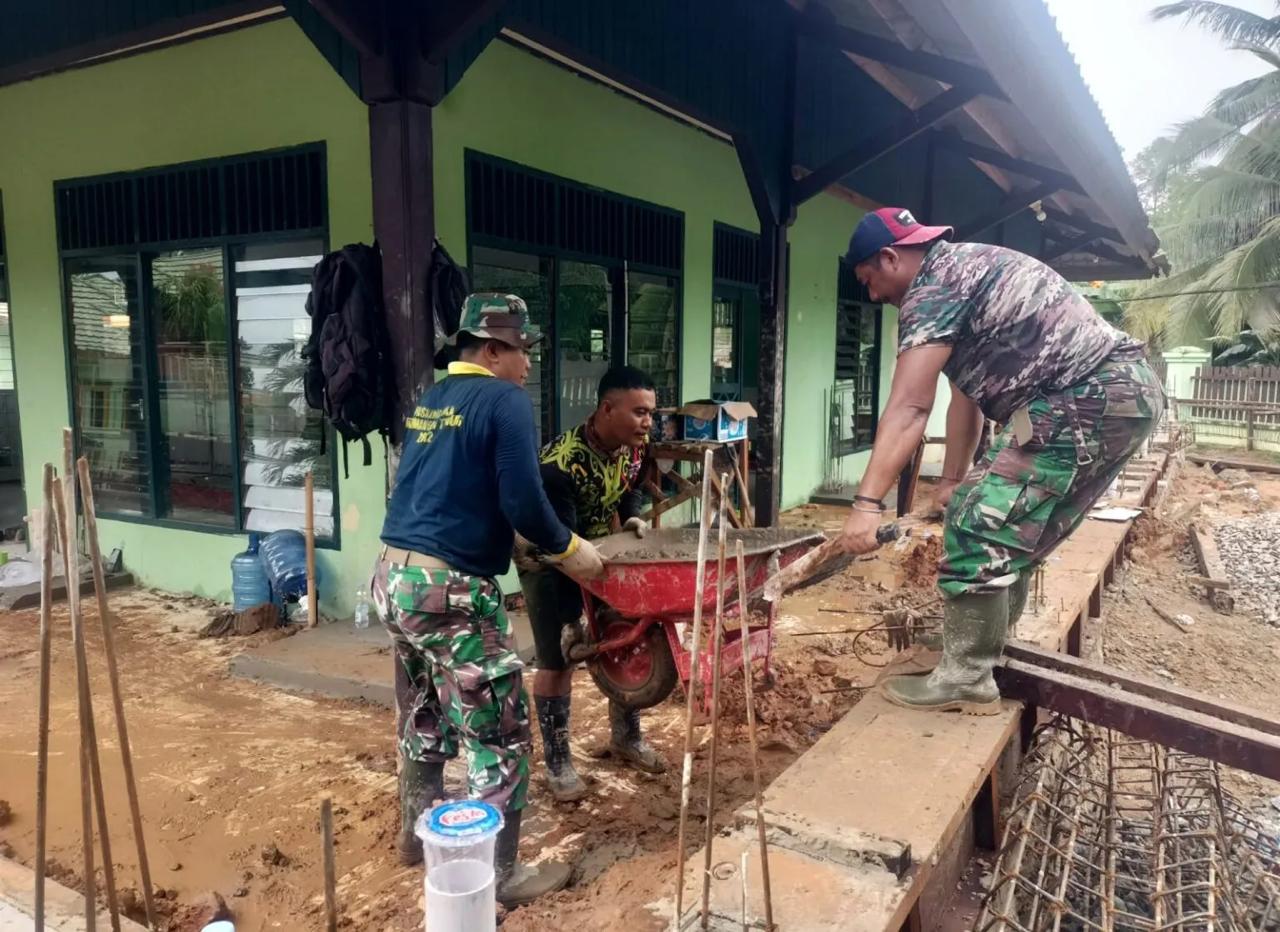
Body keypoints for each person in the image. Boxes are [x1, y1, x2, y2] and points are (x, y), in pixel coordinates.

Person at [838, 208, 1164, 713]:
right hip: (1128, 395)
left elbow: (908, 408)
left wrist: (866, 504)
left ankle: (965, 673)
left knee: (977, 521)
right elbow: (964, 396)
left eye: (869, 280)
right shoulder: (967, 272)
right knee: (1009, 525)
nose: (873, 296)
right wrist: (950, 479)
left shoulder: (932, 289)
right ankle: (983, 649)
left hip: (1083, 397)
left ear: (889, 257)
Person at [372, 292, 605, 907]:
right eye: (523, 351)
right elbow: (524, 502)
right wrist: (570, 549)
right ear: (494, 349)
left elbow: (445, 487)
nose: (528, 365)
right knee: (497, 730)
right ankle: (498, 875)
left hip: (394, 577)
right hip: (450, 589)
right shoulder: (503, 400)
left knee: (423, 706)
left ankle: (413, 834)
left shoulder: (434, 398)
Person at [517, 366, 667, 802]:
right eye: (639, 412)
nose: (647, 422)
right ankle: (559, 762)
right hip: (547, 558)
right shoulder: (558, 465)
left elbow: (630, 488)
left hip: (603, 553)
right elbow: (558, 537)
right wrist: (580, 600)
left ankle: (625, 737)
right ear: (607, 409)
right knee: (558, 657)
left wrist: (631, 518)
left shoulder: (634, 447)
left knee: (625, 640)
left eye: (651, 413)